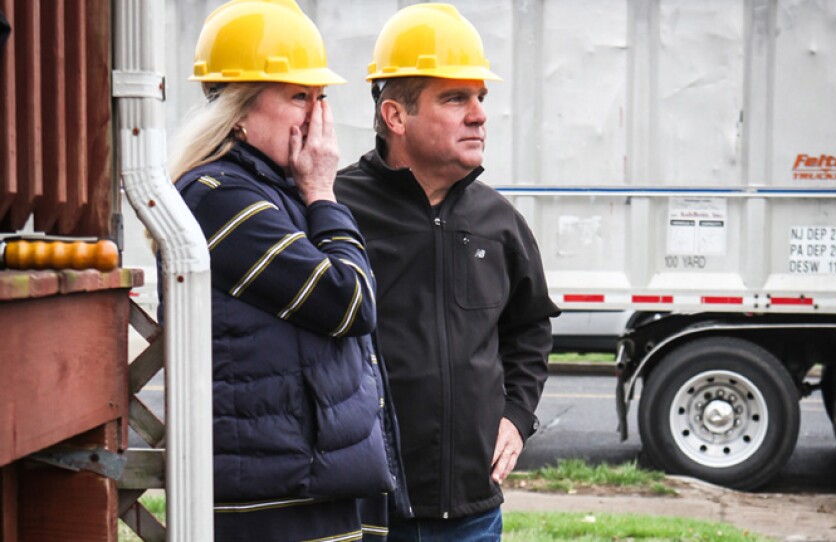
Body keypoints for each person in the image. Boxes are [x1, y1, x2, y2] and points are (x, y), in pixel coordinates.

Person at [167, 1, 409, 540]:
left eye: (321, 97)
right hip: (272, 497)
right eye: (300, 96)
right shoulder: (217, 195)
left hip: (311, 482)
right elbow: (349, 302)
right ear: (237, 107)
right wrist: (323, 191)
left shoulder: (274, 190)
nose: (316, 117)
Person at [336, 4, 559, 540]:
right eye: (455, 98)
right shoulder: (335, 210)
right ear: (395, 115)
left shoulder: (498, 221)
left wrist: (517, 415)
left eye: (480, 97)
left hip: (472, 512)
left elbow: (530, 328)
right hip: (364, 507)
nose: (479, 114)